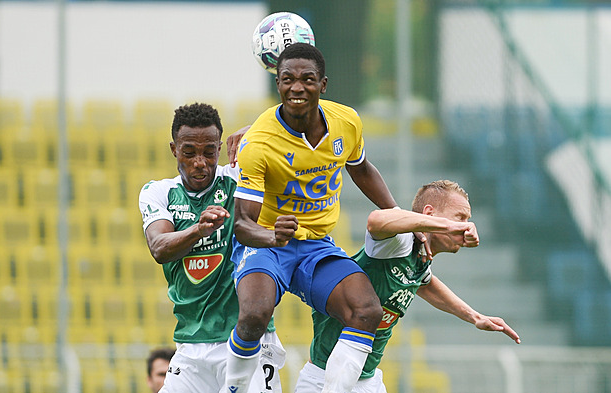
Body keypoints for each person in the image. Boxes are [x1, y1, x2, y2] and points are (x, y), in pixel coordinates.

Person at [226, 42, 399, 393]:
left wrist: (396, 215)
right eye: (287, 79)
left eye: (307, 79)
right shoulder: (258, 142)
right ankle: (231, 389)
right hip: (266, 245)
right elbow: (242, 224)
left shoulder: (346, 121)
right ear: (278, 85)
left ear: (323, 84)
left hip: (316, 246)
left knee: (366, 310)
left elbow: (361, 168)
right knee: (255, 314)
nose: (296, 87)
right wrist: (271, 236)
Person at [294, 180, 521, 393]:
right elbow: (375, 220)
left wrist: (474, 316)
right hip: (323, 379)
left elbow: (426, 283)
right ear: (430, 214)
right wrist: (445, 225)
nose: (465, 226)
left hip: (368, 380)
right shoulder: (401, 241)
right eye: (459, 217)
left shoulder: (420, 260)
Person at [139, 103, 284, 393]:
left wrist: (255, 129)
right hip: (191, 346)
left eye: (209, 152)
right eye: (189, 152)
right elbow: (159, 247)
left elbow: (291, 137)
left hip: (245, 340)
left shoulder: (237, 180)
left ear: (220, 148)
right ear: (174, 149)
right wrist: (199, 229)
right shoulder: (158, 192)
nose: (200, 162)